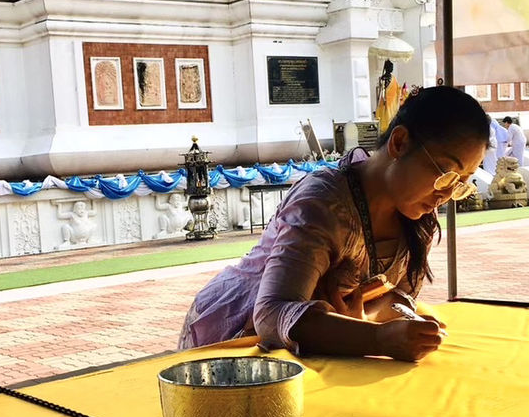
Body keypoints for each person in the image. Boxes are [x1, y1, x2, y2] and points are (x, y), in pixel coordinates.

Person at [178, 86, 489, 362]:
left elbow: (386, 298)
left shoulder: (417, 213)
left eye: (462, 183)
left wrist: (391, 322)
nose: (447, 194)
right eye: (446, 173)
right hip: (237, 341)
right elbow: (272, 315)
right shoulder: (323, 202)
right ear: (400, 142)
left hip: (322, 355)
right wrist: (378, 339)